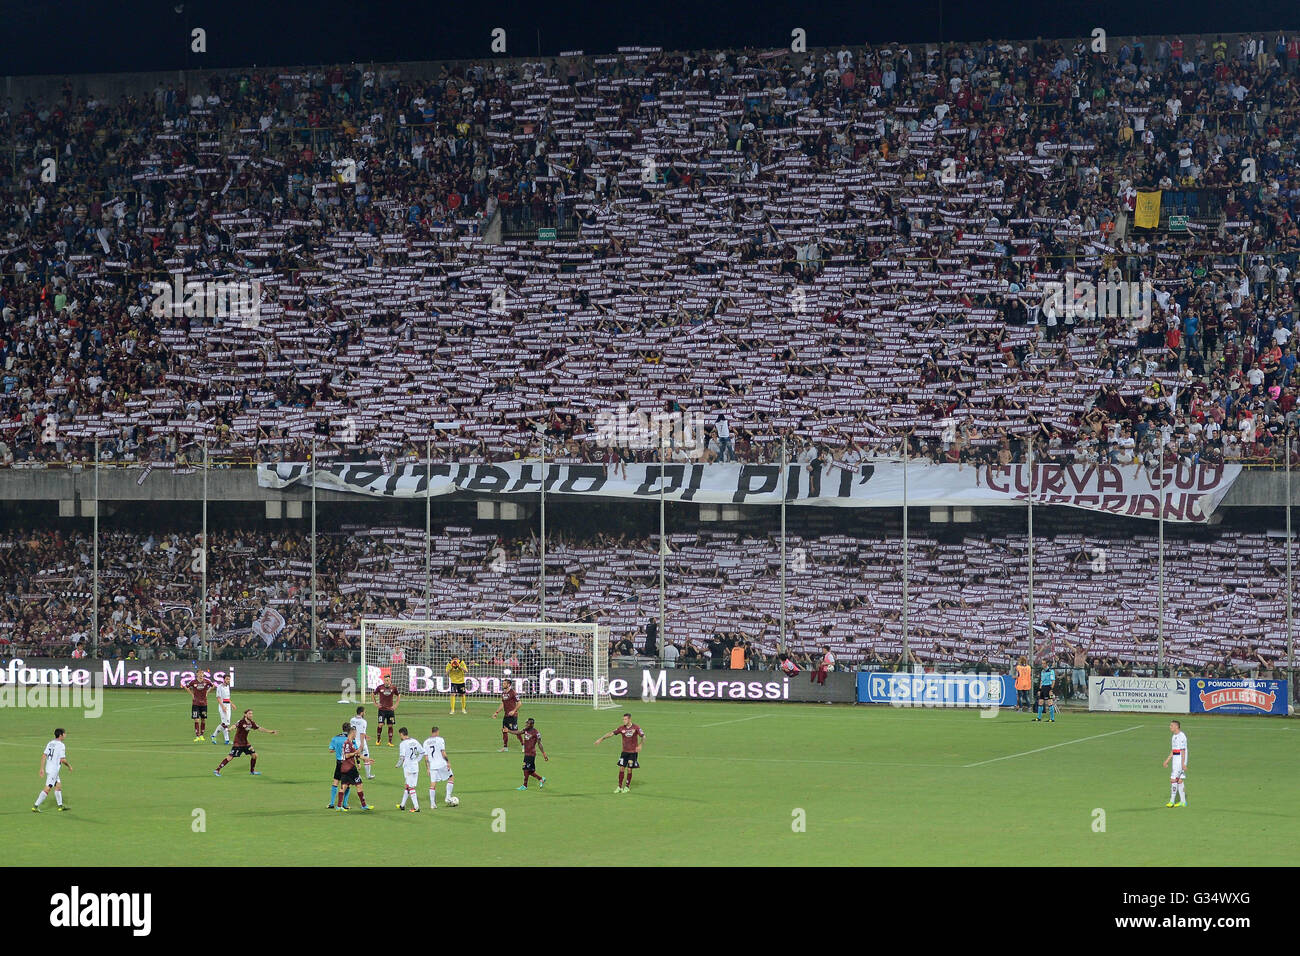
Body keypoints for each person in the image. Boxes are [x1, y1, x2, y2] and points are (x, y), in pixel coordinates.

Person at [214, 709, 278, 776]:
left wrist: (270, 731)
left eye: (252, 714)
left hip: (245, 743)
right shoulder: (241, 722)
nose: (251, 715)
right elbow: (235, 725)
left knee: (254, 755)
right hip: (238, 743)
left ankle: (252, 771)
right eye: (249, 713)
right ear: (245, 714)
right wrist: (230, 729)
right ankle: (217, 770)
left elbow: (260, 728)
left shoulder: (251, 723)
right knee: (230, 757)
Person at [594, 712, 645, 794]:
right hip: (624, 752)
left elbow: (643, 736)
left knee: (629, 769)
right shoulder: (621, 728)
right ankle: (619, 787)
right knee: (621, 768)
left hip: (633, 752)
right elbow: (611, 733)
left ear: (629, 719)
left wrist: (640, 745)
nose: (624, 721)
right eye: (623, 719)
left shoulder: (636, 727)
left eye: (625, 719)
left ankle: (627, 787)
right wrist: (601, 739)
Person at [33, 728, 71, 812]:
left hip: (49, 768)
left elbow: (44, 756)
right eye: (65, 734)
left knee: (58, 786)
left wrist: (42, 768)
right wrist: (69, 766)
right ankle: (35, 806)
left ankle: (60, 806)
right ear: (61, 735)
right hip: (53, 770)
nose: (65, 735)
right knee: (48, 787)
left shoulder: (50, 743)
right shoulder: (61, 745)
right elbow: (63, 759)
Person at [334, 726, 370, 811]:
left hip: (344, 767)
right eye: (355, 733)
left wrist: (366, 759)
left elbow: (356, 754)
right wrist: (354, 753)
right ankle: (364, 805)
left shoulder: (350, 743)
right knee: (359, 785)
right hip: (350, 768)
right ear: (352, 733)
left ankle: (339, 806)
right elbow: (347, 755)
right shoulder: (348, 743)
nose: (356, 735)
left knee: (344, 786)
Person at [509, 717, 548, 790]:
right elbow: (518, 732)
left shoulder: (536, 733)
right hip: (527, 753)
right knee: (529, 771)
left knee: (525, 769)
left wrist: (544, 753)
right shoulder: (525, 730)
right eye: (526, 723)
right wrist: (508, 731)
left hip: (531, 754)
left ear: (532, 724)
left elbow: (539, 744)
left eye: (528, 723)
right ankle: (541, 779)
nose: (526, 724)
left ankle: (525, 785)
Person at [423, 725, 455, 808]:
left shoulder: (425, 742)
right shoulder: (440, 740)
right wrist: (448, 762)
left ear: (431, 732)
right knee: (451, 777)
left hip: (432, 766)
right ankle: (448, 797)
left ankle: (432, 804)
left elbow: (426, 757)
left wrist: (428, 768)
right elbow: (443, 752)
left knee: (433, 784)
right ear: (437, 732)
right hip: (441, 764)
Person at [181, 669, 216, 742]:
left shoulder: (206, 681)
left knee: (203, 719)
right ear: (197, 674)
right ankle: (197, 735)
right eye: (199, 673)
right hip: (195, 703)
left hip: (204, 703)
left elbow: (213, 686)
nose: (201, 675)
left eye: (202, 673)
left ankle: (202, 735)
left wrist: (207, 692)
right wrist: (192, 694)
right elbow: (186, 687)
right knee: (196, 719)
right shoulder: (193, 682)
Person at [395, 727, 424, 812]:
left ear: (401, 734)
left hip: (408, 768)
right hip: (415, 766)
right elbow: (422, 752)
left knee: (410, 787)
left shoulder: (403, 744)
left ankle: (416, 807)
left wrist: (398, 765)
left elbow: (402, 757)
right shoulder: (415, 741)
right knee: (408, 785)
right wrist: (416, 760)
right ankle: (402, 805)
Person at [1163, 719, 1189, 807]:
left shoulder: (1182, 736)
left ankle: (1172, 801)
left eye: (1171, 725)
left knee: (1173, 779)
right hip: (1176, 759)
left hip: (1180, 760)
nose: (1170, 727)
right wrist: (1168, 760)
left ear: (1177, 726)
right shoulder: (1174, 736)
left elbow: (1183, 751)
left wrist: (1183, 764)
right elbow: (1174, 750)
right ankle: (1183, 801)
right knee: (1180, 781)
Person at [327, 721, 352, 810]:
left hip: (338, 763)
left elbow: (330, 750)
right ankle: (345, 804)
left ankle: (332, 803)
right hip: (347, 763)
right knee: (347, 784)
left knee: (335, 782)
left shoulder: (335, 738)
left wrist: (338, 751)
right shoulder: (350, 739)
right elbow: (355, 750)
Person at [491, 679, 520, 752]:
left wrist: (514, 711)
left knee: (516, 731)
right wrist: (496, 712)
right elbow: (503, 704)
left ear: (509, 685)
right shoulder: (503, 693)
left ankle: (523, 745)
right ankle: (505, 747)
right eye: (503, 683)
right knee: (504, 731)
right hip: (506, 715)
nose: (503, 685)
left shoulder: (513, 693)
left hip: (513, 716)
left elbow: (519, 703)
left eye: (504, 684)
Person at [373, 677, 400, 745]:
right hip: (382, 710)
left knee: (390, 725)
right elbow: (373, 694)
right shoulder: (380, 687)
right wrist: (375, 703)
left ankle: (390, 742)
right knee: (380, 724)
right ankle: (378, 740)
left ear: (390, 680)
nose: (386, 681)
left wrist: (396, 705)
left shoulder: (393, 688)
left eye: (387, 680)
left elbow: (398, 695)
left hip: (390, 710)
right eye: (385, 680)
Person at [350, 706, 375, 778]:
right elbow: (361, 733)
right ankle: (368, 775)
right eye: (364, 712)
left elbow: (353, 730)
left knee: (355, 757)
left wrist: (365, 735)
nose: (365, 713)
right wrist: (362, 744)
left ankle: (356, 775)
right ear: (361, 713)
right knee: (366, 757)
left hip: (354, 741)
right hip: (360, 741)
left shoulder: (352, 720)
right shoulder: (363, 721)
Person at [209, 671, 233, 745]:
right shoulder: (219, 687)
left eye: (229, 679)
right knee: (224, 724)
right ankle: (224, 739)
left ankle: (217, 737)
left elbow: (227, 698)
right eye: (227, 679)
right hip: (223, 706)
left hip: (228, 706)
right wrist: (223, 707)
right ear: (224, 679)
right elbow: (218, 698)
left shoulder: (227, 687)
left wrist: (232, 704)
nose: (228, 680)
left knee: (226, 723)